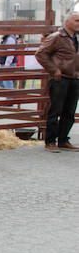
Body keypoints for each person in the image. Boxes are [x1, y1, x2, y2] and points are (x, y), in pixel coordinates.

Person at [36, 12, 79, 152]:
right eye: (77, 20)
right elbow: (40, 54)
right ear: (67, 22)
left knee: (70, 111)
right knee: (56, 110)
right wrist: (54, 70)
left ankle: (63, 139)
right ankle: (50, 141)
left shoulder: (76, 38)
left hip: (74, 78)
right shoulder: (56, 37)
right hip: (60, 79)